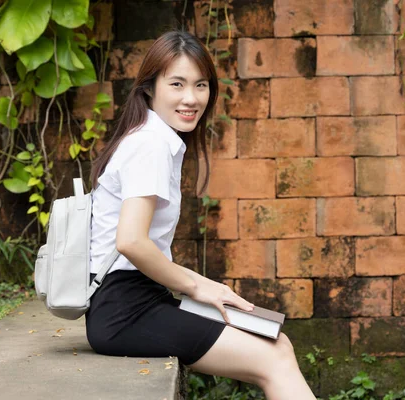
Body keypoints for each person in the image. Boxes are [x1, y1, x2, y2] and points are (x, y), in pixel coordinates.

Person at [85, 31, 316, 400]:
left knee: (279, 346)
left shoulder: (151, 138)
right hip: (125, 311)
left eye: (201, 85)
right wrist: (198, 285)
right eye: (176, 84)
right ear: (149, 88)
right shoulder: (150, 146)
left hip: (139, 301)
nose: (191, 98)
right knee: (274, 360)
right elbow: (130, 241)